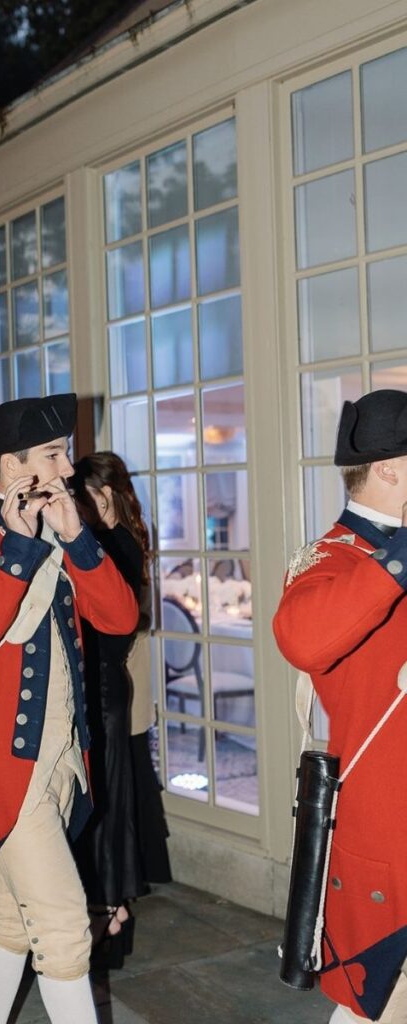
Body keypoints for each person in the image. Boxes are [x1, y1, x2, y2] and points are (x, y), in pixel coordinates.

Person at [0, 394, 138, 1024]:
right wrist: (17, 551)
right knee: (67, 929)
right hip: (2, 766)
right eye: (53, 454)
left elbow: (121, 618)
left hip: (62, 759)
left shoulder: (63, 532)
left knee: (13, 920)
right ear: (14, 464)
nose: (67, 469)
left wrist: (77, 540)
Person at [273, 389, 407, 1024]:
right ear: (389, 468)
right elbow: (301, 640)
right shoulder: (330, 558)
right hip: (389, 825)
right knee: (369, 1003)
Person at [71, 452, 170, 963]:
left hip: (106, 689)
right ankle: (107, 911)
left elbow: (117, 624)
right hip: (99, 686)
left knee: (106, 809)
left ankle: (109, 912)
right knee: (99, 805)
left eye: (82, 494)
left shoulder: (116, 544)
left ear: (102, 493)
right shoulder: (111, 542)